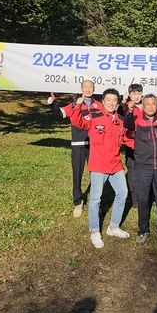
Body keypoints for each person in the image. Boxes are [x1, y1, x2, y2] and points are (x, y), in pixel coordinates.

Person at [69, 88, 130, 249]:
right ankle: (95, 231)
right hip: (98, 165)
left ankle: (113, 227)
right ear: (102, 102)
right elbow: (77, 122)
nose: (111, 103)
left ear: (117, 103)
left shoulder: (120, 121)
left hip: (115, 164)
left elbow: (128, 139)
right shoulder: (94, 117)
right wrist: (77, 107)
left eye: (114, 100)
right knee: (96, 198)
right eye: (108, 100)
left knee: (122, 192)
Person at [124, 94, 157, 245]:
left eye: (153, 104)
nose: (151, 106)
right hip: (143, 167)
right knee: (143, 199)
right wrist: (129, 110)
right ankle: (143, 231)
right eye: (148, 104)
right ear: (142, 106)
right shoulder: (137, 120)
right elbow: (127, 124)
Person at [48, 80, 100, 218]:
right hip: (78, 144)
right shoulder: (75, 104)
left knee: (96, 174)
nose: (88, 89)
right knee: (77, 173)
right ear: (81, 89)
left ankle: (95, 202)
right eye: (85, 87)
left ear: (94, 89)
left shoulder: (99, 105)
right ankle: (78, 201)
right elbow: (61, 113)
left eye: (90, 87)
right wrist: (52, 103)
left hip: (94, 145)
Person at [120, 83, 143, 209]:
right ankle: (135, 199)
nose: (136, 96)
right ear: (129, 94)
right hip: (131, 144)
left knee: (145, 171)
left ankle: (146, 196)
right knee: (133, 172)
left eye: (139, 93)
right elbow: (120, 115)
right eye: (134, 94)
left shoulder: (146, 106)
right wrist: (124, 103)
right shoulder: (125, 107)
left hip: (145, 144)